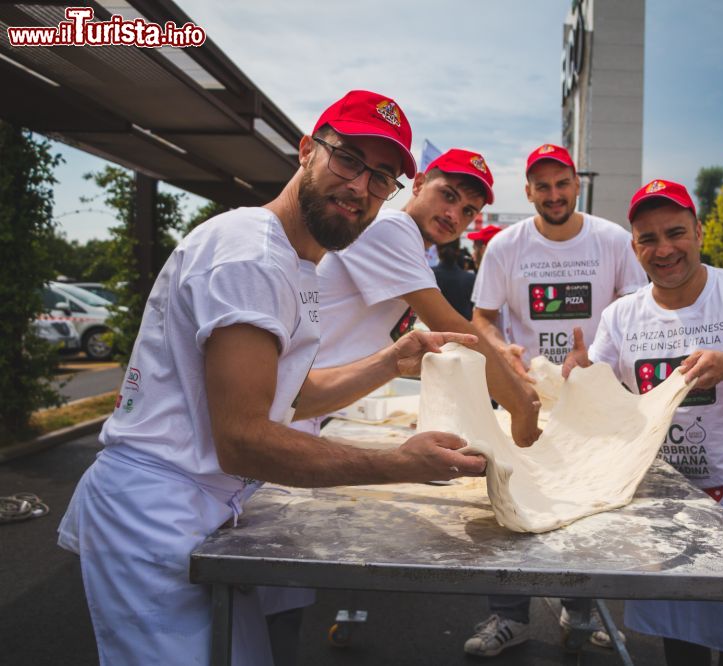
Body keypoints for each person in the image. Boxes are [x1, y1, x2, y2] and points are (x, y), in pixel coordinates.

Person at [56, 91, 489, 666]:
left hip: (200, 504)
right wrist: (401, 464)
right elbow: (246, 440)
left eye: (381, 177)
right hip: (157, 513)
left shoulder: (296, 262)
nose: (360, 187)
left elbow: (291, 394)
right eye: (348, 159)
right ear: (306, 150)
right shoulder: (249, 257)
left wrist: (390, 361)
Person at [562, 179, 723, 665]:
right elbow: (602, 393)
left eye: (675, 232)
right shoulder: (622, 315)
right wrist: (578, 376)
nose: (664, 249)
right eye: (648, 239)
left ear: (698, 231)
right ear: (634, 246)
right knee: (683, 637)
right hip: (670, 499)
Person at [465, 143, 647, 657]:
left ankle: (580, 611)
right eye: (542, 186)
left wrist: (601, 362)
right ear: (528, 192)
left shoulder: (611, 240)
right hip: (524, 397)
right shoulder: (505, 246)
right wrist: (504, 351)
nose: (553, 194)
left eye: (561, 183)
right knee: (511, 496)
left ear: (576, 185)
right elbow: (482, 317)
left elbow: (632, 311)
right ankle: (509, 616)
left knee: (587, 503)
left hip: (590, 399)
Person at [295, 148, 540, 446]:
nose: (454, 215)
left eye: (468, 211)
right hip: (294, 403)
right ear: (419, 183)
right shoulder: (391, 228)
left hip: (307, 405)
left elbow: (439, 329)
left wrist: (497, 354)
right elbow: (449, 323)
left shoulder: (410, 246)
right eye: (448, 195)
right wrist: (520, 403)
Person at [433, 239, 476, 319]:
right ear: (458, 251)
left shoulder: (429, 275)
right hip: (464, 329)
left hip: (433, 328)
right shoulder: (472, 279)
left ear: (437, 250)